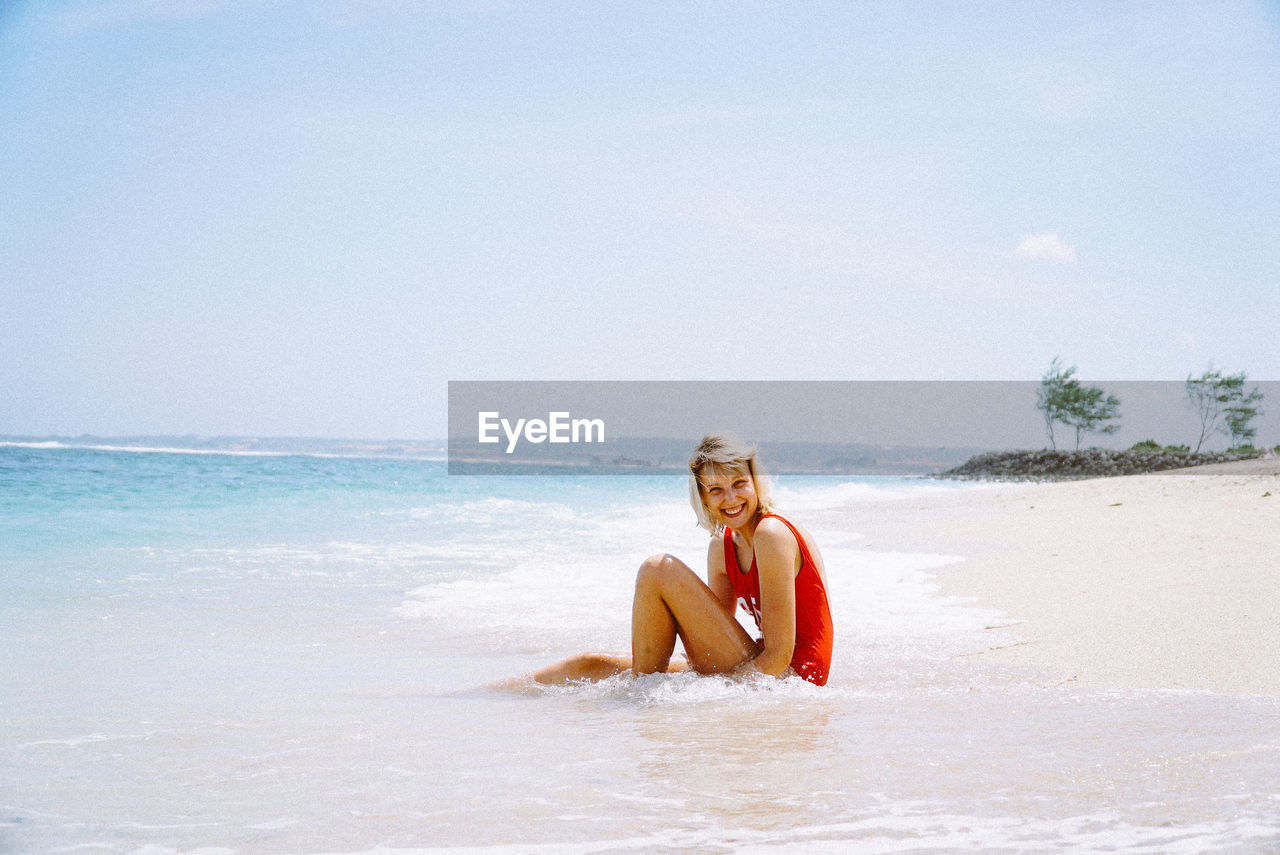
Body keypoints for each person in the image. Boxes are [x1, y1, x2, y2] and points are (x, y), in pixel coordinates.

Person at [527, 432, 834, 686]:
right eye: (716, 489)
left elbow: (780, 657)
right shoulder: (721, 548)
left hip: (793, 679)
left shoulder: (772, 534)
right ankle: (488, 697)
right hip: (761, 666)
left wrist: (718, 690)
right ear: (703, 498)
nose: (730, 499)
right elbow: (711, 642)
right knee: (590, 665)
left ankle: (641, 694)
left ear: (755, 481)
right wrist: (685, 675)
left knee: (657, 569)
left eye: (739, 483)